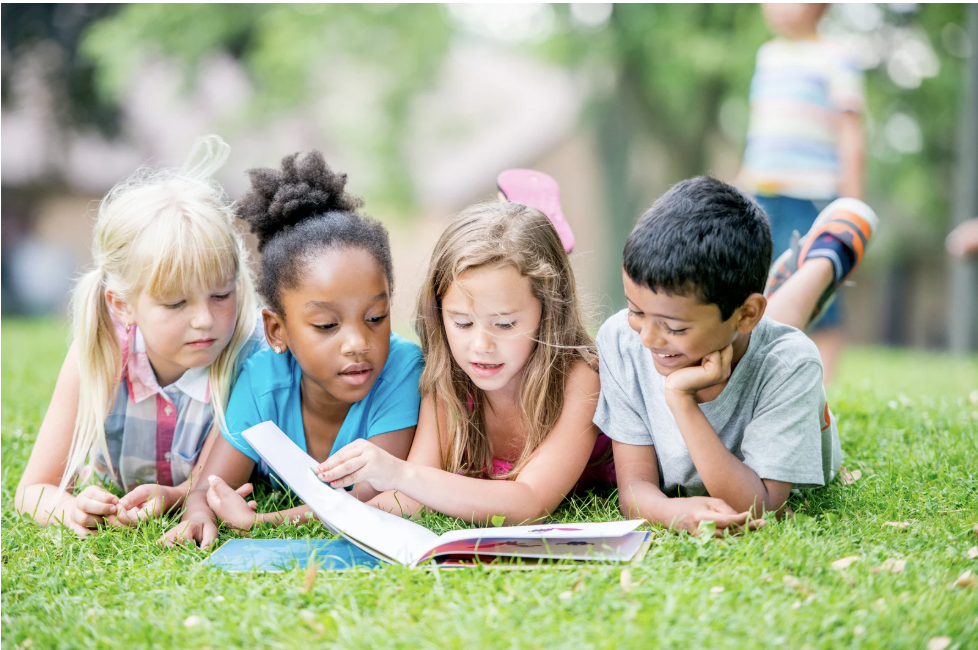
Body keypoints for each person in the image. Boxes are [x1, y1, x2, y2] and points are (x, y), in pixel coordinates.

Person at [163, 151, 424, 547]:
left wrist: (264, 523)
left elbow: (368, 495)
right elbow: (209, 486)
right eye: (326, 325)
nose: (357, 344)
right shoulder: (261, 379)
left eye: (376, 318)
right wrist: (199, 512)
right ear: (276, 330)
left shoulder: (402, 370)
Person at [599, 177, 877, 536]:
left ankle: (826, 258)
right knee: (763, 326)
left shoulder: (790, 363)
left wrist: (681, 401)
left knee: (772, 339)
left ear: (746, 313)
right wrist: (670, 512)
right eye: (636, 310)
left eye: (674, 327)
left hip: (760, 337)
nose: (648, 339)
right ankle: (787, 280)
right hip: (742, 321)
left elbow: (759, 506)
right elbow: (634, 488)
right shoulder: (622, 339)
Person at [15, 136, 263, 537]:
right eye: (176, 303)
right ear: (123, 304)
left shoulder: (247, 360)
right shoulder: (98, 355)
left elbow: (209, 487)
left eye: (221, 295)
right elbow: (33, 490)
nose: (205, 320)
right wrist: (71, 510)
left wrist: (175, 496)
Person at [314, 199, 614, 525]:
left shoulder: (579, 376)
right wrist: (309, 515)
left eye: (504, 324)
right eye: (462, 323)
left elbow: (530, 502)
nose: (481, 346)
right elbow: (413, 498)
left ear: (549, 311)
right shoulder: (449, 380)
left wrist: (399, 472)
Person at [738, 2, 867, 381]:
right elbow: (758, 130)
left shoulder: (837, 57)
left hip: (812, 194)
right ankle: (768, 381)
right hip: (763, 195)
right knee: (763, 287)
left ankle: (823, 389)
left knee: (818, 286)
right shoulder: (768, 57)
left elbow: (850, 132)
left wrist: (852, 203)